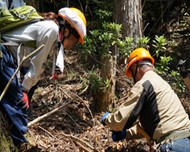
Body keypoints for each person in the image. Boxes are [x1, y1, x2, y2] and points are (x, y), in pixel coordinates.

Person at [0, 0, 87, 148]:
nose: (72, 44)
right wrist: (25, 90)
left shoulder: (54, 34)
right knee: (17, 98)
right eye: (73, 39)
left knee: (24, 94)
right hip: (4, 54)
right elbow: (37, 65)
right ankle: (21, 142)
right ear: (66, 30)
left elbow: (48, 62)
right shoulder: (51, 30)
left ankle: (15, 129)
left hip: (13, 61)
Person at [101, 48, 190, 152]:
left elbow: (120, 120)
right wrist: (126, 133)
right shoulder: (162, 83)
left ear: (135, 67)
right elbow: (156, 125)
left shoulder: (144, 84)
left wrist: (107, 119)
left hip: (173, 146)